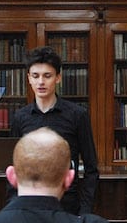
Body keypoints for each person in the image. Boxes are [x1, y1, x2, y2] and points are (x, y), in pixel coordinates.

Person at [9, 45, 100, 214]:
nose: (41, 82)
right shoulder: (20, 117)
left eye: (47, 76)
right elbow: (13, 165)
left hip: (68, 203)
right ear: (28, 78)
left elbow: (91, 168)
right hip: (29, 205)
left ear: (58, 78)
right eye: (35, 76)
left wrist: (85, 211)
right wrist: (13, 206)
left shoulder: (77, 115)